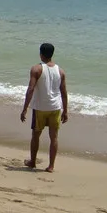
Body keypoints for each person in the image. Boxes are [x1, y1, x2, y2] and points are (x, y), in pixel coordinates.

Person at [20, 42, 68, 173]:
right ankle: (51, 166)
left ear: (41, 54)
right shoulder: (60, 71)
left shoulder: (36, 69)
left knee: (36, 135)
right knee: (54, 137)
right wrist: (66, 111)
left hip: (40, 107)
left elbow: (30, 89)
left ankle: (32, 161)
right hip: (55, 108)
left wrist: (25, 109)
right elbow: (64, 93)